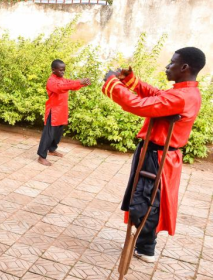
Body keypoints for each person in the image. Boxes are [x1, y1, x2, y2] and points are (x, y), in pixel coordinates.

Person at [102, 47, 206, 263]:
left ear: (184, 67)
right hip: (155, 154)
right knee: (145, 197)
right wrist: (130, 80)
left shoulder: (182, 97)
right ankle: (143, 243)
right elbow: (156, 95)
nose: (167, 66)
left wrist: (112, 83)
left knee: (146, 200)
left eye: (172, 63)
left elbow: (137, 105)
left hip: (157, 156)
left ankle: (146, 246)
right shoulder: (183, 92)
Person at [37, 59, 90, 166]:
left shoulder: (61, 79)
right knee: (48, 134)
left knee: (57, 134)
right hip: (53, 111)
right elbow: (61, 88)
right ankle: (41, 156)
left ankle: (52, 150)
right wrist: (79, 82)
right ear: (53, 70)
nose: (62, 72)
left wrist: (82, 83)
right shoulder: (51, 81)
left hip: (61, 110)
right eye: (60, 70)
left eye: (64, 70)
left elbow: (70, 83)